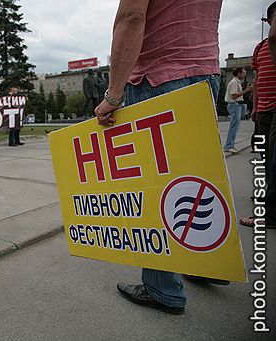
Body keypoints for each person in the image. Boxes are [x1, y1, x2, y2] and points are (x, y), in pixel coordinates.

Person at [94, 0, 223, 315]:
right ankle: (206, 262)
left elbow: (133, 16)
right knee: (200, 178)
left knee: (158, 185)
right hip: (206, 70)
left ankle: (162, 289)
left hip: (159, 78)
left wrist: (113, 93)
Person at [240, 1, 276, 229]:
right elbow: (257, 79)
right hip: (263, 108)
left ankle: (270, 210)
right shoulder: (261, 47)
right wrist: (254, 106)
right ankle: (266, 194)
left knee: (274, 155)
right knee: (264, 152)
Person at [223, 67, 252, 153]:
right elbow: (234, 96)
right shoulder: (234, 82)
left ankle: (230, 145)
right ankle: (228, 146)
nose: (244, 74)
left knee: (235, 127)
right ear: (238, 73)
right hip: (234, 105)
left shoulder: (236, 82)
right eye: (243, 73)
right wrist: (246, 90)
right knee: (234, 126)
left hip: (236, 105)